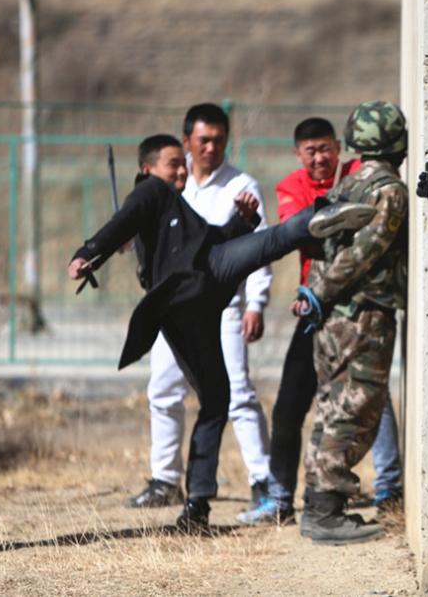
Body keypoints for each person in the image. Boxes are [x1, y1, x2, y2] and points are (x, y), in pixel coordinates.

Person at [67, 134, 374, 532]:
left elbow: (205, 238)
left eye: (183, 164)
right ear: (148, 169)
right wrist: (89, 251)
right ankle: (317, 218)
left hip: (202, 282)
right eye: (172, 164)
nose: (180, 171)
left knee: (217, 398)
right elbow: (121, 222)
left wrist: (240, 223)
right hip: (192, 291)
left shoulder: (176, 207)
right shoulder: (149, 191)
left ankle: (197, 507)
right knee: (276, 242)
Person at [238, 117, 402, 526]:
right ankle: (280, 498)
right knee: (292, 404)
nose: (318, 158)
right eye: (310, 151)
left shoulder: (356, 178)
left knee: (371, 399)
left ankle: (388, 490)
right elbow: (303, 233)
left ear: (339, 149)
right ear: (298, 155)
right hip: (315, 309)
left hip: (355, 310)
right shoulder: (291, 187)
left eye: (325, 149)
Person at [127, 103, 274, 513]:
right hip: (171, 309)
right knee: (162, 390)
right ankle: (165, 479)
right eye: (203, 139)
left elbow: (258, 247)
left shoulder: (241, 185)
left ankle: (263, 482)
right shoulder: (170, 184)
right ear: (187, 139)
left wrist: (255, 303)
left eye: (219, 140)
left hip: (222, 308)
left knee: (237, 394)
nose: (211, 147)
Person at [298, 100, 408, 545]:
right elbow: (365, 252)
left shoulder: (349, 184)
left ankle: (320, 506)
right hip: (362, 316)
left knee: (330, 409)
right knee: (353, 409)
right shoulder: (388, 190)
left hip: (334, 319)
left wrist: (317, 298)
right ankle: (325, 513)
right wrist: (321, 294)